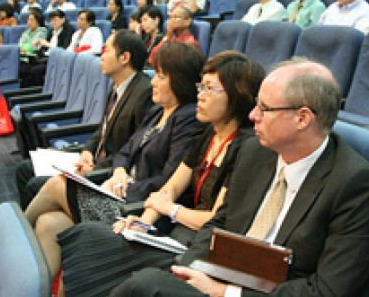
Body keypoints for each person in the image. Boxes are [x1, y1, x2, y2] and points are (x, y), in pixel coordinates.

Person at [111, 58, 369, 297]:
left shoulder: (355, 184)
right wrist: (185, 270)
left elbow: (329, 290)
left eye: (265, 109)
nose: (253, 116)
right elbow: (221, 223)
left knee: (143, 286)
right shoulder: (255, 150)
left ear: (302, 119)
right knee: (101, 248)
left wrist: (227, 293)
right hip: (221, 273)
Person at [56, 52, 265, 297]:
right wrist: (144, 223)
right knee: (80, 235)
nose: (200, 95)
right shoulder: (208, 134)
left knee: (90, 238)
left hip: (196, 247)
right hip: (175, 231)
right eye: (200, 87)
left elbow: (215, 219)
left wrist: (171, 210)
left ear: (236, 95)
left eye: (210, 89)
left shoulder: (245, 147)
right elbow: (170, 188)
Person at [24, 42, 205, 292]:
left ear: (180, 81)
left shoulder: (189, 118)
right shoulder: (157, 112)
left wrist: (128, 186)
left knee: (59, 184)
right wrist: (119, 172)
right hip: (119, 193)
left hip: (137, 208)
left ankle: (14, 241)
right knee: (49, 222)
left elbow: (167, 179)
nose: (153, 81)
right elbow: (124, 152)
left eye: (161, 76)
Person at [15, 30, 153, 208]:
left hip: (108, 173)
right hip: (93, 161)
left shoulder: (143, 93)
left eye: (107, 51)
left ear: (124, 58)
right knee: (24, 169)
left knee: (34, 184)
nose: (101, 56)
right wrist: (87, 151)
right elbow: (103, 129)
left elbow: (135, 150)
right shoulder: (117, 85)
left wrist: (96, 169)